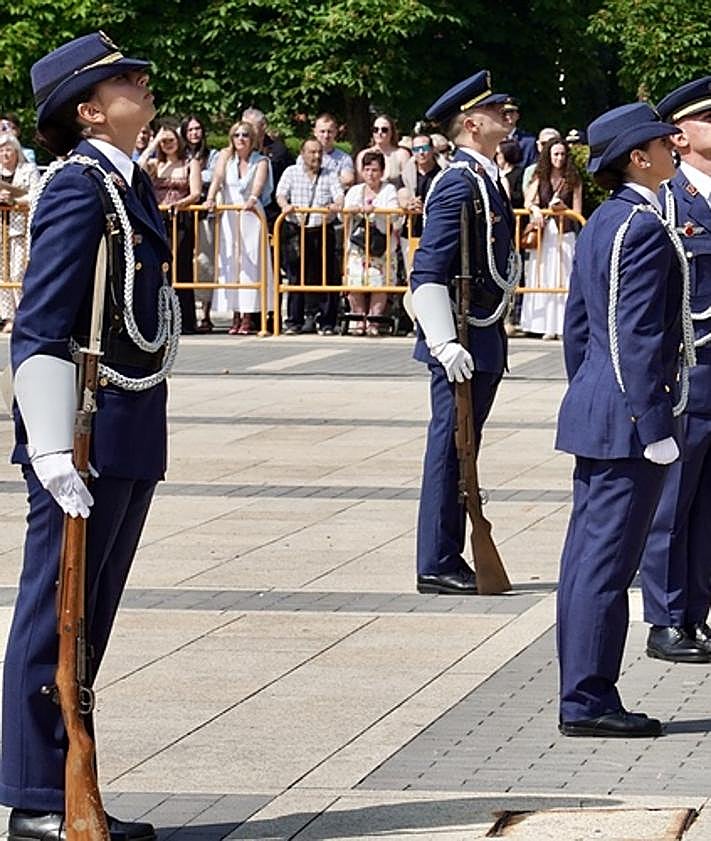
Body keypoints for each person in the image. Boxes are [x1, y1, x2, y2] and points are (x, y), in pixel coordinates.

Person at [0, 31, 181, 840]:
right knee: (55, 611)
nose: (143, 88)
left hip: (129, 423)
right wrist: (45, 448)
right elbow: (37, 328)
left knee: (91, 613)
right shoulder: (80, 188)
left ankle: (74, 784)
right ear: (88, 109)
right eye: (126, 81)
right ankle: (37, 794)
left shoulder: (129, 184)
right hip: (80, 432)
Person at [555, 103, 694, 738]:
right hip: (628, 420)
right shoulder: (639, 226)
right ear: (638, 158)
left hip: (601, 410)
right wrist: (651, 421)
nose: (674, 145)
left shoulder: (606, 220)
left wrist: (593, 395)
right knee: (606, 568)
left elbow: (581, 330)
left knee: (587, 562)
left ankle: (585, 693)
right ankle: (587, 700)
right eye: (663, 141)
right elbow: (634, 337)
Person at [411, 70, 521, 595]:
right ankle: (437, 558)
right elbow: (428, 270)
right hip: (461, 335)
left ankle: (446, 553)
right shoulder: (458, 181)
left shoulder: (484, 178)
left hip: (482, 333)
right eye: (499, 111)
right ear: (473, 124)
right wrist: (442, 342)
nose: (509, 116)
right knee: (450, 447)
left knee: (465, 449)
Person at [638, 78, 711, 664]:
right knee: (672, 503)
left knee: (707, 506)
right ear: (680, 136)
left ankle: (695, 614)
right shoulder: (667, 204)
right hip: (688, 374)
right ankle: (664, 618)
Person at [205, 120, 273, 335]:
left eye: (245, 135)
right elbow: (217, 179)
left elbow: (258, 185)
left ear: (252, 139)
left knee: (251, 264)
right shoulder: (226, 159)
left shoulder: (260, 160)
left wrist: (252, 198)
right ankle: (234, 313)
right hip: (229, 214)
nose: (241, 139)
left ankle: (248, 315)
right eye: (237, 135)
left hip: (250, 215)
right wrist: (210, 198)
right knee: (230, 263)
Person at [276, 138, 343, 334]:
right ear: (302, 153)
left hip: (322, 229)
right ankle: (294, 321)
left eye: (319, 153)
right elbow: (280, 194)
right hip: (297, 230)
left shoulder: (330, 174)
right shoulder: (291, 172)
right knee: (296, 276)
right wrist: (285, 205)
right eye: (312, 152)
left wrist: (337, 204)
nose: (316, 156)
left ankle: (327, 321)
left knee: (327, 276)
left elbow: (338, 194)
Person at [139, 124, 202, 334]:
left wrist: (180, 203)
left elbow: (196, 193)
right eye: (164, 142)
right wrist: (153, 143)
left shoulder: (189, 163)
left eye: (170, 140)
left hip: (180, 218)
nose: (167, 145)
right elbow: (138, 167)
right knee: (159, 266)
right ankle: (160, 318)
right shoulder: (156, 164)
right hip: (159, 217)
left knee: (182, 266)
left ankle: (185, 320)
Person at [520, 138, 583, 339]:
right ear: (548, 155)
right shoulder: (540, 176)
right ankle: (544, 325)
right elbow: (528, 201)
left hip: (565, 233)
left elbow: (578, 210)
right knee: (544, 275)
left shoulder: (574, 179)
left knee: (564, 276)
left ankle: (563, 326)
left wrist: (564, 210)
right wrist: (537, 209)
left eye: (563, 154)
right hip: (546, 232)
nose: (559, 158)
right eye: (555, 154)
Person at [343, 150, 401, 335]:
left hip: (381, 246)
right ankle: (358, 320)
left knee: (378, 282)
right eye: (367, 169)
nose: (370, 174)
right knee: (355, 282)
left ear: (382, 171)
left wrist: (375, 209)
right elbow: (343, 213)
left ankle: (374, 322)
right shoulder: (355, 190)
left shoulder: (389, 190)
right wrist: (354, 209)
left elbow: (395, 214)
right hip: (357, 245)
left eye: (375, 170)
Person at [180, 114, 220, 332]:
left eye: (198, 129)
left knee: (205, 262)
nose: (195, 133)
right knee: (184, 263)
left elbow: (213, 177)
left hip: (205, 213)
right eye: (190, 130)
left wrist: (190, 172)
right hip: (183, 217)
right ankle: (187, 312)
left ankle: (205, 312)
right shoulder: (180, 153)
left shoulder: (212, 155)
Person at [0, 132, 40, 332]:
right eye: (1, 150)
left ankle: (24, 314)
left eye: (8, 149)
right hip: (1, 227)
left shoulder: (29, 170)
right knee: (1, 273)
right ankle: (8, 318)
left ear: (16, 152)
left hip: (20, 228)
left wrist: (15, 201)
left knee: (17, 272)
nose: (5, 154)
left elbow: (38, 194)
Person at [242, 107, 294, 230]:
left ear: (263, 125)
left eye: (250, 126)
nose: (246, 130)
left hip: (272, 213)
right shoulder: (240, 150)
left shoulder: (279, 151)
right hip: (244, 210)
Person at [355, 114, 411, 187]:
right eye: (376, 129)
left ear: (392, 132)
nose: (379, 132)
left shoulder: (402, 154)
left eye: (384, 130)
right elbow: (360, 183)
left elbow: (408, 183)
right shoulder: (363, 155)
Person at [314, 112, 354, 189]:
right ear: (315, 132)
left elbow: (348, 180)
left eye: (330, 131)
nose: (326, 136)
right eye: (322, 131)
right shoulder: (303, 158)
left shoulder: (345, 159)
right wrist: (336, 178)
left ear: (335, 132)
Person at [522, 127, 561, 191]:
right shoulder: (530, 171)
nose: (547, 147)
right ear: (538, 145)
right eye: (544, 144)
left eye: (552, 143)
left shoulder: (569, 171)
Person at [502, 99, 537, 167]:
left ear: (518, 115)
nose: (508, 116)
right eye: (504, 112)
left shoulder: (529, 142)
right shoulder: (493, 139)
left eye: (511, 112)